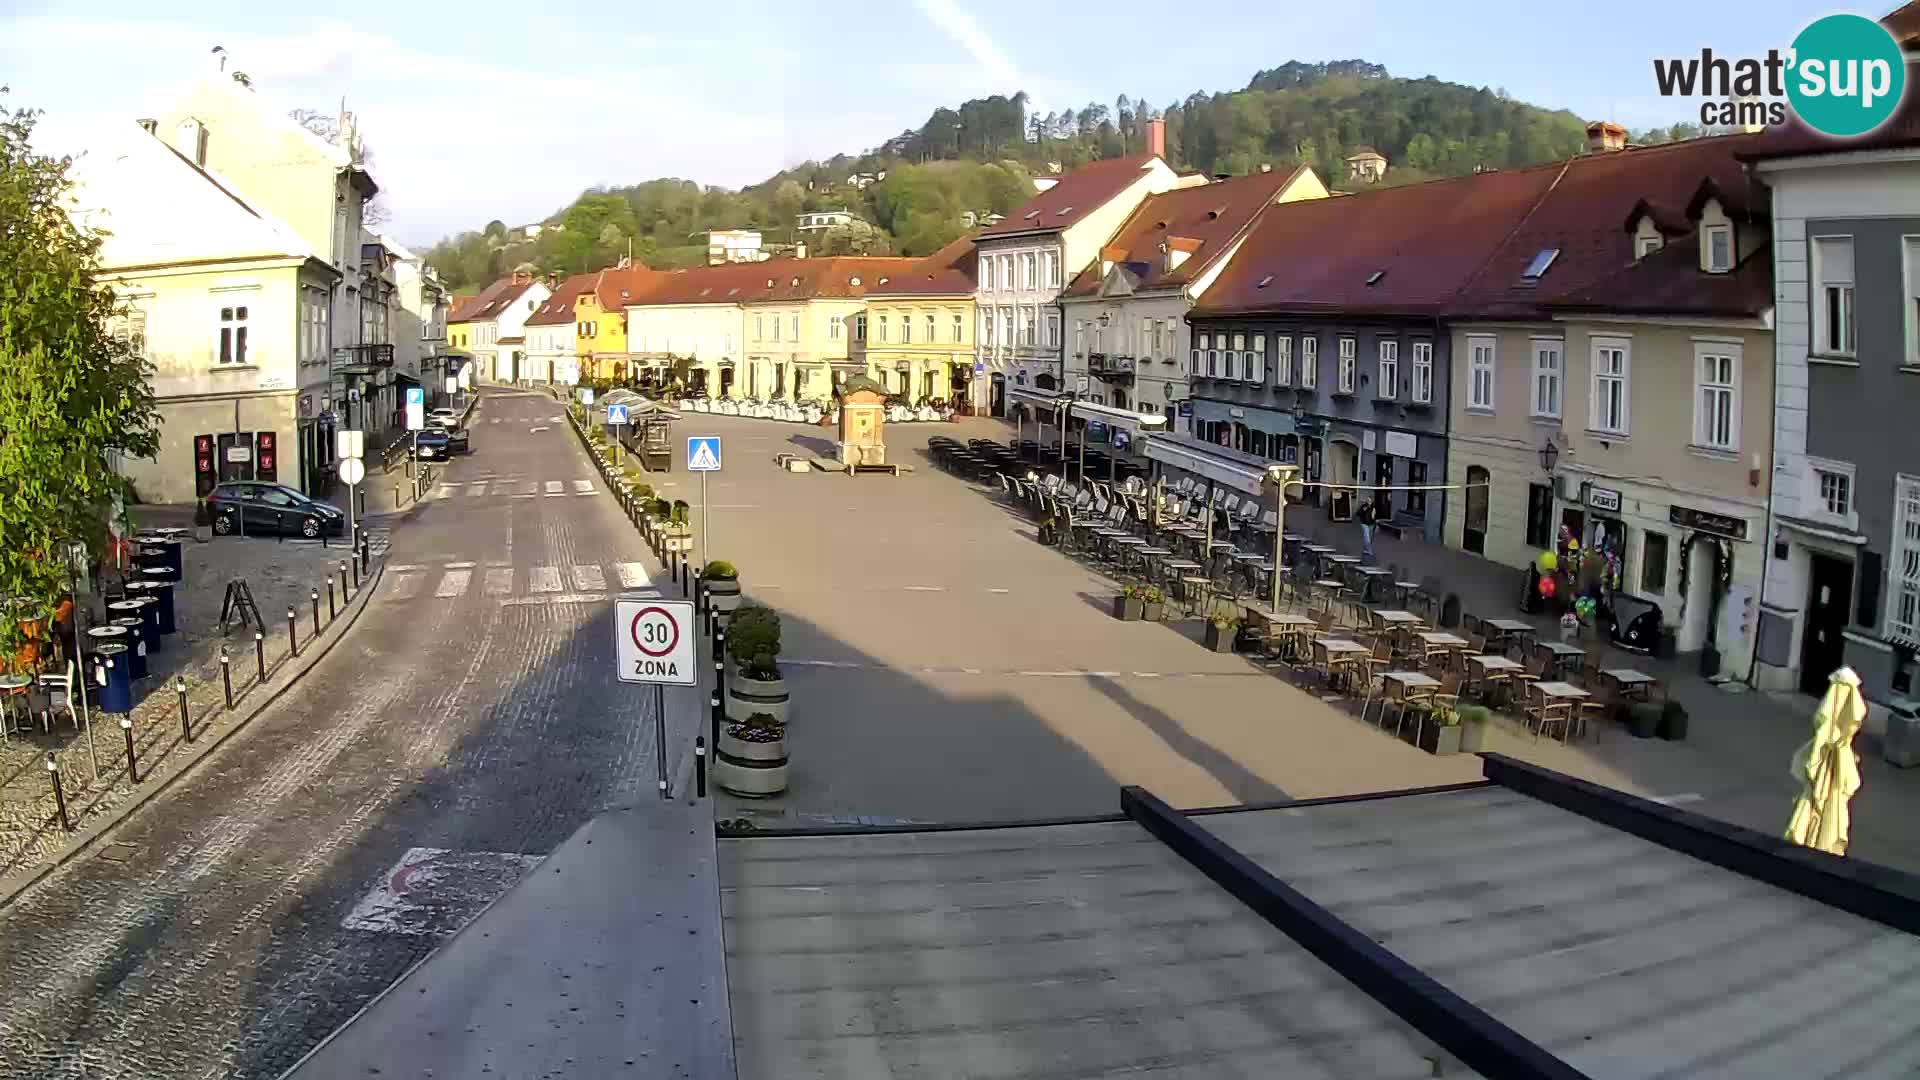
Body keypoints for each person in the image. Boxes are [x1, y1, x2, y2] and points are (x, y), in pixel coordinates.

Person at [1357, 498, 1378, 562]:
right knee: (1367, 537)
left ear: (1372, 501)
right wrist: (1363, 510)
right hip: (1364, 524)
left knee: (1369, 537)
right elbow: (1357, 513)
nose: (1368, 502)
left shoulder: (1374, 508)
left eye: (1370, 501)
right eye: (1367, 500)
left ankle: (1366, 549)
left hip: (1371, 524)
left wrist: (1376, 524)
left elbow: (1374, 518)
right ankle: (1369, 551)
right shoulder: (1363, 506)